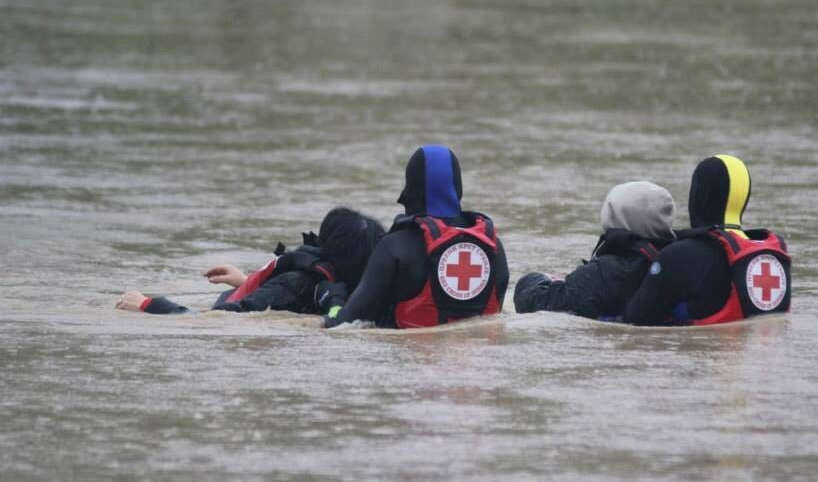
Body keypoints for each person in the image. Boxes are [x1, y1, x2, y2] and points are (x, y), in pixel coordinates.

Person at [323, 145, 509, 329]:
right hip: (479, 354)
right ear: (457, 185)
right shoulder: (494, 247)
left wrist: (333, 299)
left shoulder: (394, 247)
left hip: (417, 356)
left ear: (411, 186)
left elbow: (343, 325)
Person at [115, 207, 385, 316]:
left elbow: (212, 319)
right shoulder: (364, 290)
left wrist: (147, 304)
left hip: (247, 303)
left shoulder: (296, 281)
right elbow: (295, 299)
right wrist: (247, 281)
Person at [622, 154, 791, 326]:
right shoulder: (771, 252)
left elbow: (635, 318)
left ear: (698, 194)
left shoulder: (680, 254)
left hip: (705, 352)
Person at [513, 181, 676, 320]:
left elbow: (533, 303)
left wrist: (541, 278)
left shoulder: (601, 273)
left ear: (612, 216)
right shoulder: (682, 260)